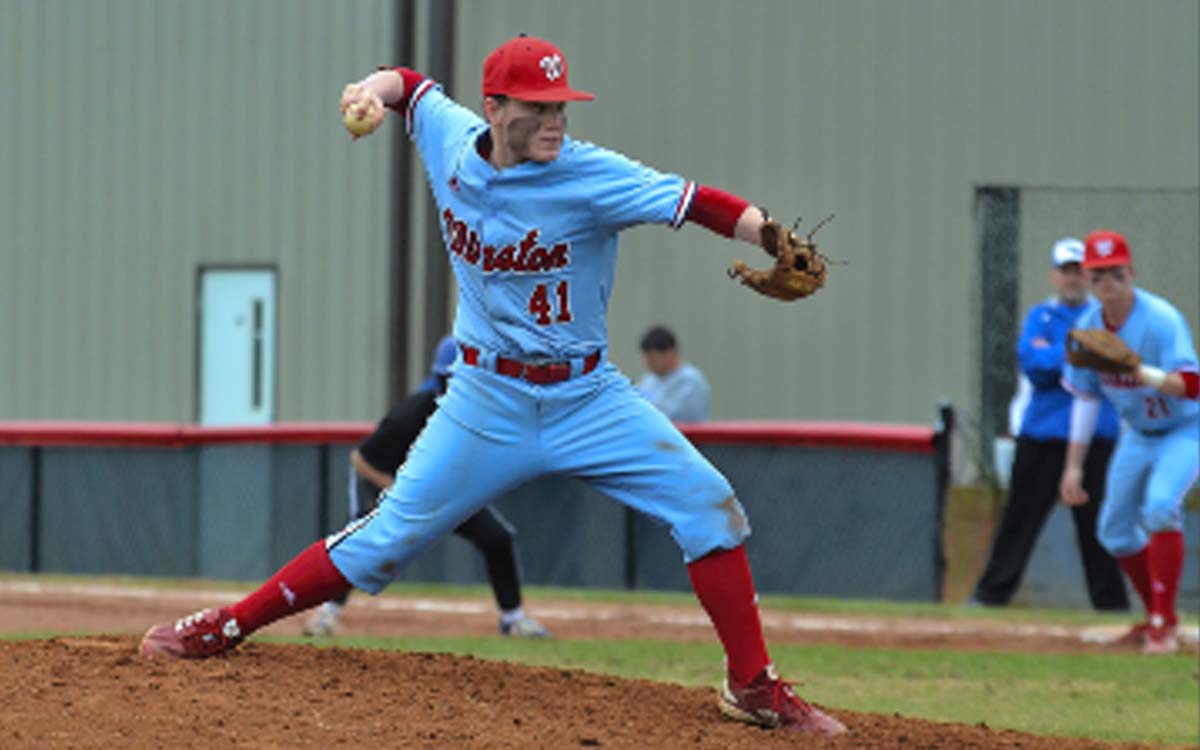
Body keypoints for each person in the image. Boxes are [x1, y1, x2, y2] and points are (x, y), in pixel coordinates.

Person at [141, 34, 845, 735]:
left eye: (560, 106)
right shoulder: (451, 141)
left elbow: (694, 201)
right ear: (494, 108)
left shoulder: (591, 174)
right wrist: (369, 91)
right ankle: (229, 624)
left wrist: (768, 235)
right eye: (537, 107)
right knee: (383, 539)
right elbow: (408, 84)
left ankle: (752, 686)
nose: (554, 120)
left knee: (708, 506)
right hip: (486, 398)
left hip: (588, 397)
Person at [304, 335, 548, 639]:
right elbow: (362, 460)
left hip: (439, 488)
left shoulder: (478, 414)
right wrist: (399, 492)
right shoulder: (411, 414)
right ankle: (327, 613)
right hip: (387, 481)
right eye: (455, 380)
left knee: (497, 538)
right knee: (362, 545)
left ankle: (513, 619)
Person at [1059, 230, 1199, 655]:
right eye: (1098, 273)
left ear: (1131, 272)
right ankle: (1156, 615)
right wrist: (1073, 467)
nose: (1107, 281)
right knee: (1115, 532)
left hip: (1185, 429)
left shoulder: (1160, 319)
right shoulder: (1088, 327)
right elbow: (1085, 399)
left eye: (1115, 272)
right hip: (1137, 434)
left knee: (1159, 506)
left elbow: (1192, 386)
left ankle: (1163, 625)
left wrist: (1142, 373)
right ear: (1088, 277)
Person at [971, 238, 1128, 611]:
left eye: (1079, 271)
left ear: (1089, 276)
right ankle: (990, 597)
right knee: (1018, 520)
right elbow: (1034, 365)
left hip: (1094, 438)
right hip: (1043, 434)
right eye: (1065, 271)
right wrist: (1078, 352)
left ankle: (1111, 606)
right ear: (1054, 276)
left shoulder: (1105, 316)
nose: (1072, 279)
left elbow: (1107, 364)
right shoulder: (1040, 316)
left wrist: (1063, 354)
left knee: (1098, 528)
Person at [636, 326, 711, 422]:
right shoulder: (648, 381)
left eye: (652, 358)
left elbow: (677, 416)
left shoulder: (691, 381)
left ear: (670, 353)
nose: (648, 363)